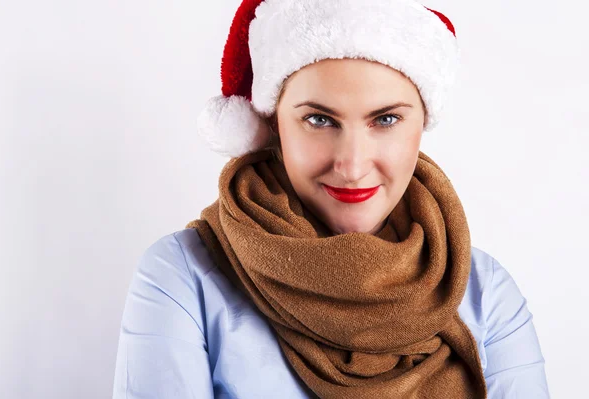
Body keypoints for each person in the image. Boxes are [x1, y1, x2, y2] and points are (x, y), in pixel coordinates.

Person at [112, 0, 550, 398]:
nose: (353, 164)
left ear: (422, 123)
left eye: (387, 119)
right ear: (272, 124)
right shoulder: (184, 277)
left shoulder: (483, 291)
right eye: (319, 119)